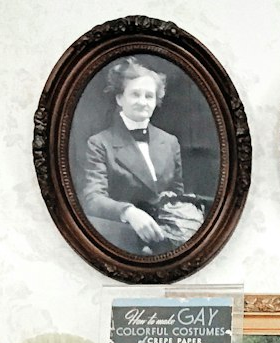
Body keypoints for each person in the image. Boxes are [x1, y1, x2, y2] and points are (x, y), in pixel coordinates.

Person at [80, 57, 201, 254]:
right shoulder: (100, 143)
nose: (143, 102)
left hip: (168, 239)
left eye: (149, 96)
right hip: (123, 240)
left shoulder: (169, 142)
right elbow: (92, 199)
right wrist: (128, 212)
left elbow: (177, 196)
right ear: (120, 98)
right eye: (135, 94)